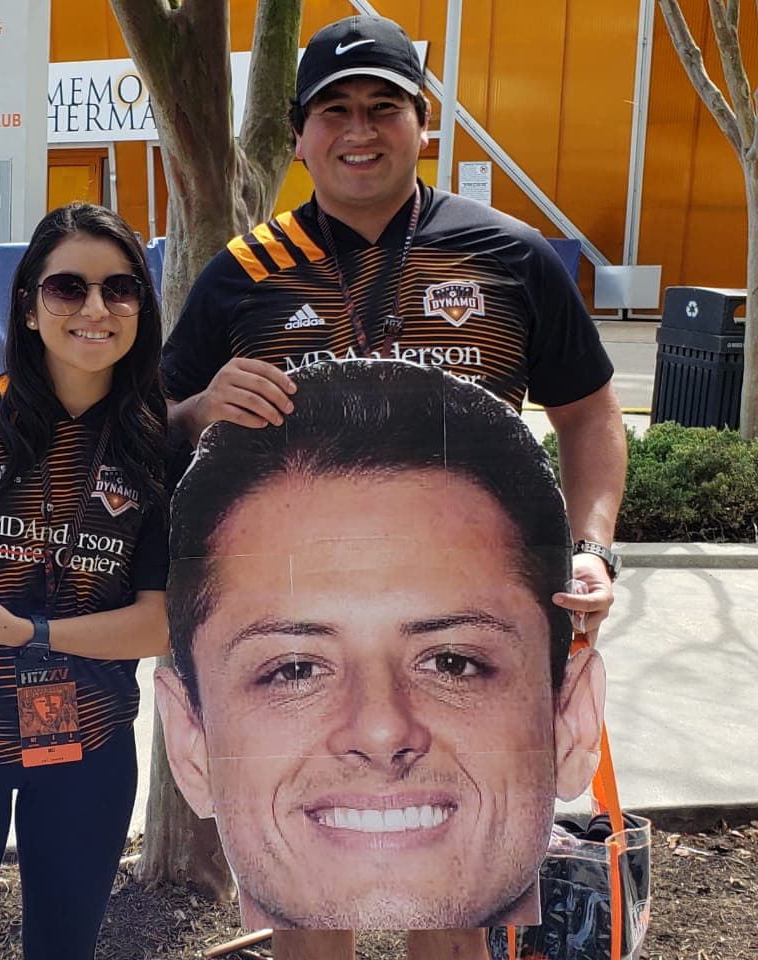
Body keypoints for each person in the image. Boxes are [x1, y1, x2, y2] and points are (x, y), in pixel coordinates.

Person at [159, 16, 626, 956]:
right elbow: (149, 435)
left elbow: (590, 415)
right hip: (300, 637)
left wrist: (592, 545)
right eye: (334, 110)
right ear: (299, 136)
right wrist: (201, 409)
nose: (359, 130)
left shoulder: (513, 258)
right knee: (312, 904)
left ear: (425, 121)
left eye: (384, 106)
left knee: (454, 899)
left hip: (465, 632)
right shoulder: (241, 276)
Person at [157, 360, 605, 936]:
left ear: (572, 721)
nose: (380, 732)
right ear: (189, 743)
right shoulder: (234, 279)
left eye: (452, 663)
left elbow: (589, 408)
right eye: (294, 670)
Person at [0, 203, 170, 959]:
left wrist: (30, 631)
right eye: (67, 289)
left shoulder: (157, 443)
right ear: (27, 307)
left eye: (120, 289)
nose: (94, 309)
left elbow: (161, 623)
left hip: (85, 744)